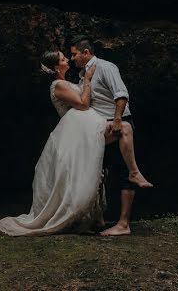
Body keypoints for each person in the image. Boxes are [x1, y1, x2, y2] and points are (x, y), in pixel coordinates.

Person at [0, 49, 149, 236]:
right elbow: (84, 104)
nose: (67, 59)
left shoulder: (68, 82)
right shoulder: (58, 85)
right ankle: (132, 175)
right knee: (120, 133)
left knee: (96, 167)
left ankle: (97, 215)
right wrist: (87, 79)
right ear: (55, 66)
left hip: (86, 127)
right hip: (76, 131)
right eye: (63, 58)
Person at [70, 38, 151, 237]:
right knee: (98, 172)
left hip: (116, 124)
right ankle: (97, 218)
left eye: (74, 54)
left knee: (124, 172)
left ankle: (123, 224)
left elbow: (121, 94)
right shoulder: (83, 76)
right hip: (100, 128)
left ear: (86, 52)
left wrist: (117, 120)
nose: (72, 58)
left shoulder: (105, 67)